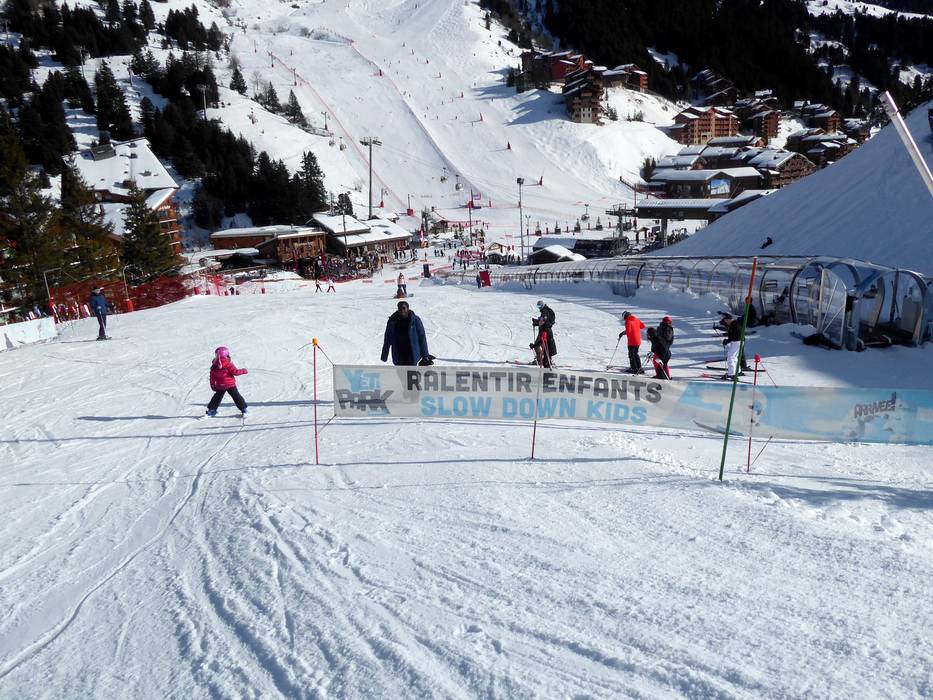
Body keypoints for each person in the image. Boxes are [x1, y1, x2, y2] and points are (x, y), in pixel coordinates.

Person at [381, 300, 432, 366]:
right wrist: (384, 355)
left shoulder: (415, 320)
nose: (402, 310)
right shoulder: (392, 321)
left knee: (412, 371)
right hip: (398, 353)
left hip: (412, 352)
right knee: (400, 371)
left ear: (408, 308)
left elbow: (422, 337)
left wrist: (425, 355)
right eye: (400, 308)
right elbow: (387, 338)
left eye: (404, 308)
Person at [206, 346, 249, 416]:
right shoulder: (228, 364)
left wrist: (212, 385)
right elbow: (236, 372)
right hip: (230, 384)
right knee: (236, 396)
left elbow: (212, 377)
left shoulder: (214, 365)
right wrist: (244, 371)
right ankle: (244, 409)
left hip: (220, 385)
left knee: (217, 397)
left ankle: (211, 410)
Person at [530, 300, 556, 368]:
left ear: (542, 305)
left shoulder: (545, 311)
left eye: (539, 306)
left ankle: (541, 360)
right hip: (544, 331)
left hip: (544, 331)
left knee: (540, 344)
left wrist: (536, 322)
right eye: (537, 306)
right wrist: (536, 322)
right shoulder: (546, 310)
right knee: (543, 345)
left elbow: (543, 321)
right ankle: (546, 359)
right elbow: (543, 321)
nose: (539, 307)